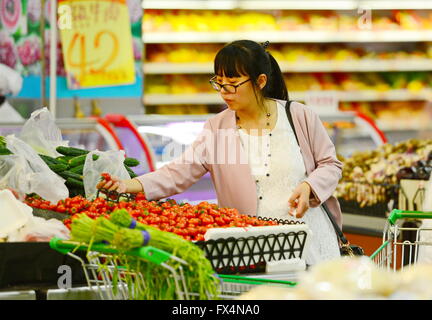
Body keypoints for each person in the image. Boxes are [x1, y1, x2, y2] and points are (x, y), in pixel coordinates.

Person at [98, 40, 343, 264]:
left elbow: (330, 164)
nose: (224, 91)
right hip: (252, 247)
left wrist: (309, 187)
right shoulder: (218, 128)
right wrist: (131, 184)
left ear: (260, 82)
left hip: (309, 241)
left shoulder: (298, 116)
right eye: (219, 82)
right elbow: (178, 172)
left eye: (233, 83)